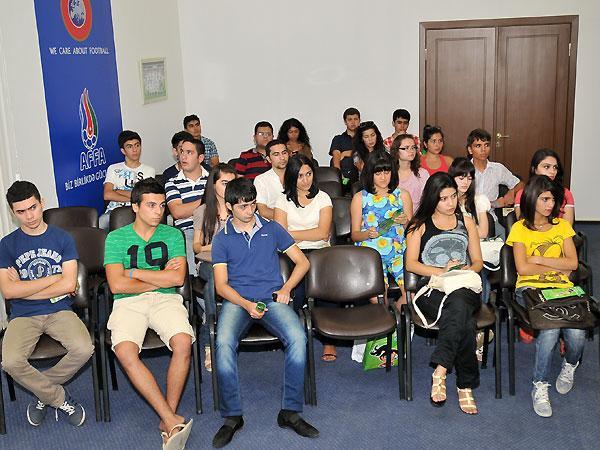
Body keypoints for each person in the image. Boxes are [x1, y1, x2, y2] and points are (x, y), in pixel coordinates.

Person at [211, 177, 318, 448]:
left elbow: (302, 262)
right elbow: (221, 286)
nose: (250, 211)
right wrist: (246, 305)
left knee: (298, 337)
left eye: (252, 204)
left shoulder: (272, 228)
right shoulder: (221, 239)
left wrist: (287, 288)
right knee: (223, 342)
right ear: (229, 206)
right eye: (243, 206)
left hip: (270, 298)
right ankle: (233, 416)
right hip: (237, 301)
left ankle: (290, 412)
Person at [104, 177, 195, 448]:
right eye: (151, 205)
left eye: (162, 205)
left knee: (183, 342)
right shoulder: (115, 238)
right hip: (127, 302)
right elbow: (116, 285)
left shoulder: (173, 234)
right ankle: (170, 419)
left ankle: (168, 418)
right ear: (135, 207)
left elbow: (176, 279)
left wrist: (133, 272)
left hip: (165, 299)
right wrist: (159, 277)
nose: (159, 211)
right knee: (125, 351)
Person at [0, 181, 93, 427]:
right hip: (22, 314)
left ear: (42, 203)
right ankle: (57, 397)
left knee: (84, 348)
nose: (29, 216)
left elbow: (69, 284)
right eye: (21, 211)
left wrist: (24, 288)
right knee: (10, 361)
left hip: (59, 309)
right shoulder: (7, 245)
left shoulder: (62, 238)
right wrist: (53, 279)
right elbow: (8, 291)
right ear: (12, 212)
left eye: (33, 207)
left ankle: (41, 392)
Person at [404, 172, 484, 415]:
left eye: (453, 197)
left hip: (464, 285)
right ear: (432, 198)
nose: (451, 203)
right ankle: (465, 386)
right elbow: (411, 264)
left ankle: (440, 369)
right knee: (464, 320)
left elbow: (478, 262)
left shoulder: (466, 222)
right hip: (432, 288)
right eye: (444, 199)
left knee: (459, 302)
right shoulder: (419, 225)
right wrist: (442, 270)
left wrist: (466, 269)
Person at [505, 175, 581, 418]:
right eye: (545, 199)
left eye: (553, 200)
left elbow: (573, 263)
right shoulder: (519, 228)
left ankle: (570, 364)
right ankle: (540, 384)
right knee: (550, 329)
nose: (551, 205)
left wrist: (538, 259)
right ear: (532, 198)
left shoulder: (562, 227)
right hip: (530, 289)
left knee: (577, 334)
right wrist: (555, 267)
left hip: (561, 289)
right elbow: (523, 268)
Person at [273, 154, 333, 356]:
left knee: (326, 285)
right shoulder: (282, 200)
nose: (306, 180)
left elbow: (322, 233)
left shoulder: (323, 197)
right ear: (291, 177)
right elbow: (279, 236)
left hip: (319, 251)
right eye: (300, 176)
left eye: (309, 174)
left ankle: (328, 339)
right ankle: (295, 335)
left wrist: (291, 234)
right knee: (296, 291)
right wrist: (300, 236)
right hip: (292, 253)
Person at [351, 150, 413, 307]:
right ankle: (387, 319)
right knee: (378, 299)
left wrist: (405, 221)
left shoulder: (403, 195)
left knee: (411, 295)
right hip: (371, 254)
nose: (383, 177)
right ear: (370, 174)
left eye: (387, 172)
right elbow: (354, 235)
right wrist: (367, 234)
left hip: (399, 252)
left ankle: (396, 315)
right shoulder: (360, 198)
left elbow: (412, 231)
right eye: (378, 173)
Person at [192, 163, 237, 372]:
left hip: (234, 262)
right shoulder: (202, 211)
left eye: (232, 183)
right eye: (224, 183)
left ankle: (224, 334)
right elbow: (196, 247)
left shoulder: (239, 208)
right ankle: (211, 337)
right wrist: (219, 245)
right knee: (213, 283)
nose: (228, 187)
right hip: (208, 262)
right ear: (213, 185)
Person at [165, 137, 209, 274]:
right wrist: (208, 200)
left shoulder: (213, 179)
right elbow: (178, 212)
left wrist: (191, 206)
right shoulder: (172, 182)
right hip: (187, 231)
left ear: (200, 158)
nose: (183, 156)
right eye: (182, 151)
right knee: (191, 270)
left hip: (214, 229)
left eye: (189, 152)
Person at [99, 130, 155, 229]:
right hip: (114, 211)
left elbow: (146, 196)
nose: (135, 150)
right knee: (102, 221)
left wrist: (118, 191)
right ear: (123, 151)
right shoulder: (113, 168)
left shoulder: (149, 170)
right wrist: (134, 199)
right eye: (129, 146)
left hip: (139, 211)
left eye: (137, 145)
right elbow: (107, 195)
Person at [514, 148, 574, 225]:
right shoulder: (522, 193)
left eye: (555, 167)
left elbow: (567, 227)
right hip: (531, 232)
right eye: (546, 167)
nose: (552, 171)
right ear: (534, 169)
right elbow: (524, 226)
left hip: (559, 232)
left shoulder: (565, 193)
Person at [448, 157, 489, 239]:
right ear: (452, 178)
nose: (465, 182)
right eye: (461, 178)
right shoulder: (446, 201)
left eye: (469, 178)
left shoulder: (479, 200)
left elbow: (483, 233)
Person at [390, 133, 429, 211]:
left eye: (413, 147)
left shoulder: (423, 173)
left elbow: (428, 199)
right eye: (406, 148)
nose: (411, 151)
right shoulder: (388, 174)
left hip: (418, 215)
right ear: (396, 151)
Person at [254, 139, 289, 220]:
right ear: (269, 159)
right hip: (270, 223)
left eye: (284, 153)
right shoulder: (261, 180)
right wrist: (291, 217)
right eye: (276, 154)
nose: (282, 157)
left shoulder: (298, 175)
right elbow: (263, 211)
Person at [329, 107, 360, 184]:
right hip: (344, 176)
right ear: (345, 122)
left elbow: (367, 152)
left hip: (361, 174)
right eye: (349, 119)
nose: (353, 122)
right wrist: (340, 175)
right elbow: (336, 156)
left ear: (359, 120)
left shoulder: (364, 137)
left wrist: (347, 153)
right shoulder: (338, 138)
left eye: (355, 119)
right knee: (334, 160)